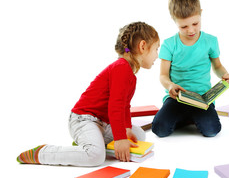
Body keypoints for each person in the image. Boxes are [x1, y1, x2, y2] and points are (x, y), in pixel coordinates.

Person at [17, 22, 160, 166]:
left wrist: (127, 129)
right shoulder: (121, 68)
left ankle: (89, 143)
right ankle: (42, 153)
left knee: (139, 135)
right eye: (156, 49)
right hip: (84, 119)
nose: (157, 55)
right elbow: (115, 106)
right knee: (95, 157)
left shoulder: (130, 75)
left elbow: (124, 106)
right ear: (142, 46)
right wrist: (119, 139)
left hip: (103, 123)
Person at [152, 0, 229, 138]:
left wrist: (225, 74)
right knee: (159, 129)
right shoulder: (169, 45)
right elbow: (163, 75)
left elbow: (217, 66)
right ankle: (186, 117)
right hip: (176, 98)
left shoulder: (210, 41)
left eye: (195, 23)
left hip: (202, 99)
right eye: (184, 26)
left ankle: (190, 117)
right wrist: (170, 85)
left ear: (201, 13)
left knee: (212, 130)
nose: (191, 30)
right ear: (174, 21)